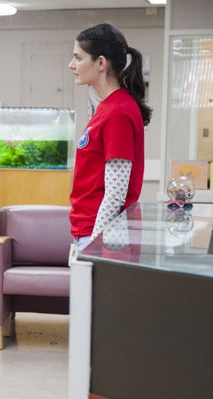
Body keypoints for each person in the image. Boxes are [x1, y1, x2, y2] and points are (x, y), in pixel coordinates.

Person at [68, 23, 151, 252]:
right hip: (88, 233)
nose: (71, 65)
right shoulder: (108, 108)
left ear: (101, 63)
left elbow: (115, 193)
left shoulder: (118, 112)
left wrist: (94, 247)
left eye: (78, 57)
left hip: (101, 238)